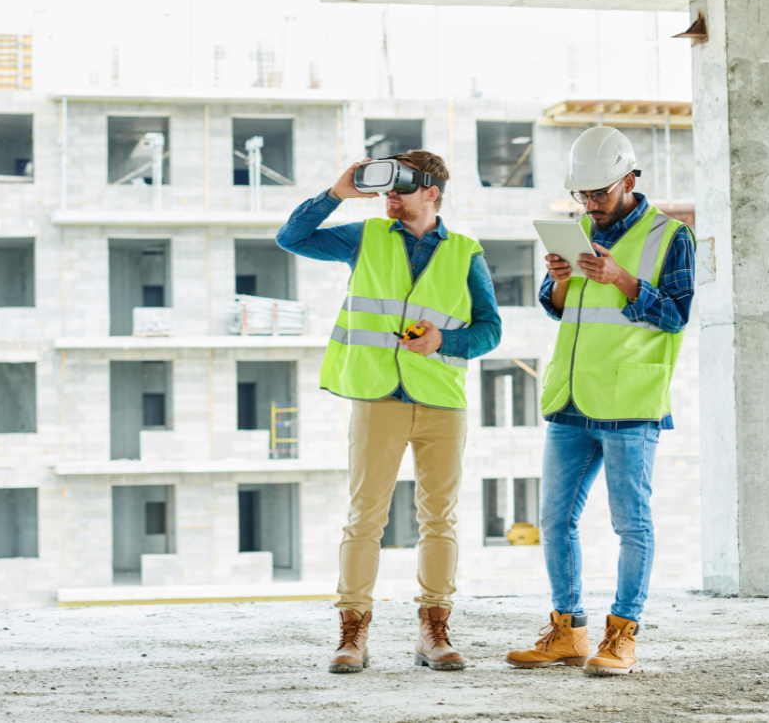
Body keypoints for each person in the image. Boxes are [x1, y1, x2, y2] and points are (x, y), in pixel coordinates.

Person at [277, 150, 501, 674]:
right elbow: (292, 238)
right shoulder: (365, 237)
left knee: (439, 521)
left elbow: (490, 330)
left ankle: (433, 630)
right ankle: (352, 635)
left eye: (402, 188)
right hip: (378, 398)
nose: (389, 197)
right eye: (386, 188)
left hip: (442, 401)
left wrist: (446, 339)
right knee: (364, 521)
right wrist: (336, 195)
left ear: (433, 194)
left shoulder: (466, 252)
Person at [504, 127, 695, 676]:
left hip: (630, 403)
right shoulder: (579, 230)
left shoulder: (669, 236)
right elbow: (558, 308)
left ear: (629, 179)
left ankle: (623, 637)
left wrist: (622, 279)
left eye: (600, 194)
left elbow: (676, 314)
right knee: (555, 519)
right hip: (571, 399)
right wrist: (559, 280)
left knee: (630, 524)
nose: (591, 204)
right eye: (582, 195)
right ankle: (567, 633)